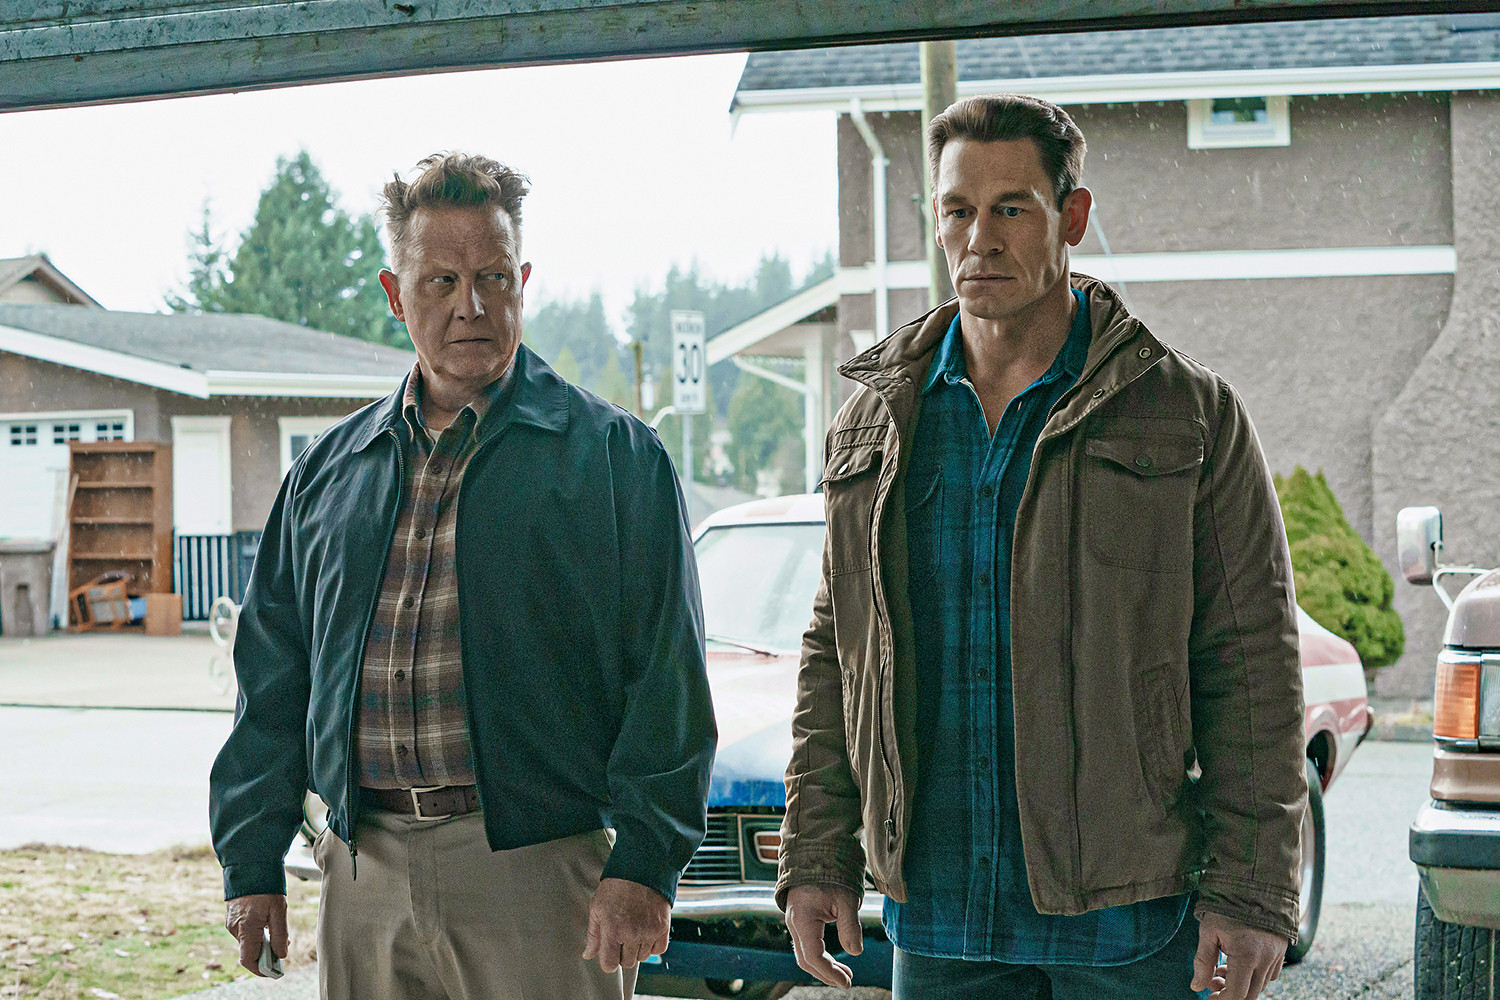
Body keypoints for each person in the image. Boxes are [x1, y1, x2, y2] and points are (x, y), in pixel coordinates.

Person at [778, 95, 1306, 1000]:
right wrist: (817, 852)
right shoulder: (877, 421)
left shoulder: (1185, 413)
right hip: (942, 915)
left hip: (1128, 916)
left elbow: (1251, 664)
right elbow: (839, 654)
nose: (980, 239)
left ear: (1073, 216)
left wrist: (1253, 892)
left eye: (1011, 209)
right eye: (958, 210)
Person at [209, 152, 715, 1000]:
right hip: (363, 872)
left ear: (523, 282)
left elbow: (669, 679)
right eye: (440, 281)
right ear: (394, 293)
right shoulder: (326, 475)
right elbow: (271, 680)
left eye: (491, 278)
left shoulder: (615, 459)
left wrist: (646, 863)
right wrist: (251, 860)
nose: (469, 305)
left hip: (543, 873)